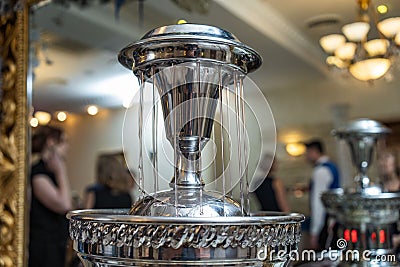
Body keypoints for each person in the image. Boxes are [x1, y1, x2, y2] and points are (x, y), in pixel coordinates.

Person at [29, 125, 72, 267]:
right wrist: (61, 170)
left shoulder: (49, 173)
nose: (68, 146)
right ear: (51, 142)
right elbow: (64, 205)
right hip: (43, 249)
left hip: (55, 245)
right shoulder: (38, 174)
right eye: (64, 141)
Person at [305, 139, 340, 250]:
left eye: (307, 152)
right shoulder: (331, 166)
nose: (306, 156)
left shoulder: (321, 171)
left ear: (314, 151)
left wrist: (314, 231)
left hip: (326, 222)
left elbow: (318, 202)